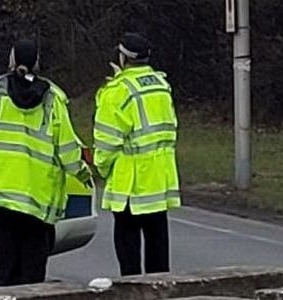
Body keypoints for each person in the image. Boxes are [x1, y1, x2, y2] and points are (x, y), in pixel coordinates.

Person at [0, 39, 91, 287]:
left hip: (2, 199)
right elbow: (67, 148)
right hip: (38, 202)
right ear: (37, 63)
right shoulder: (53, 99)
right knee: (32, 278)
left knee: (4, 273)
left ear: (11, 60)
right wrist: (83, 174)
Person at [94, 33, 181, 276]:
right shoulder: (161, 85)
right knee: (158, 249)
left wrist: (101, 167)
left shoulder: (118, 91)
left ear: (123, 58)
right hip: (159, 180)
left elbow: (107, 140)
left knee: (128, 251)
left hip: (130, 184)